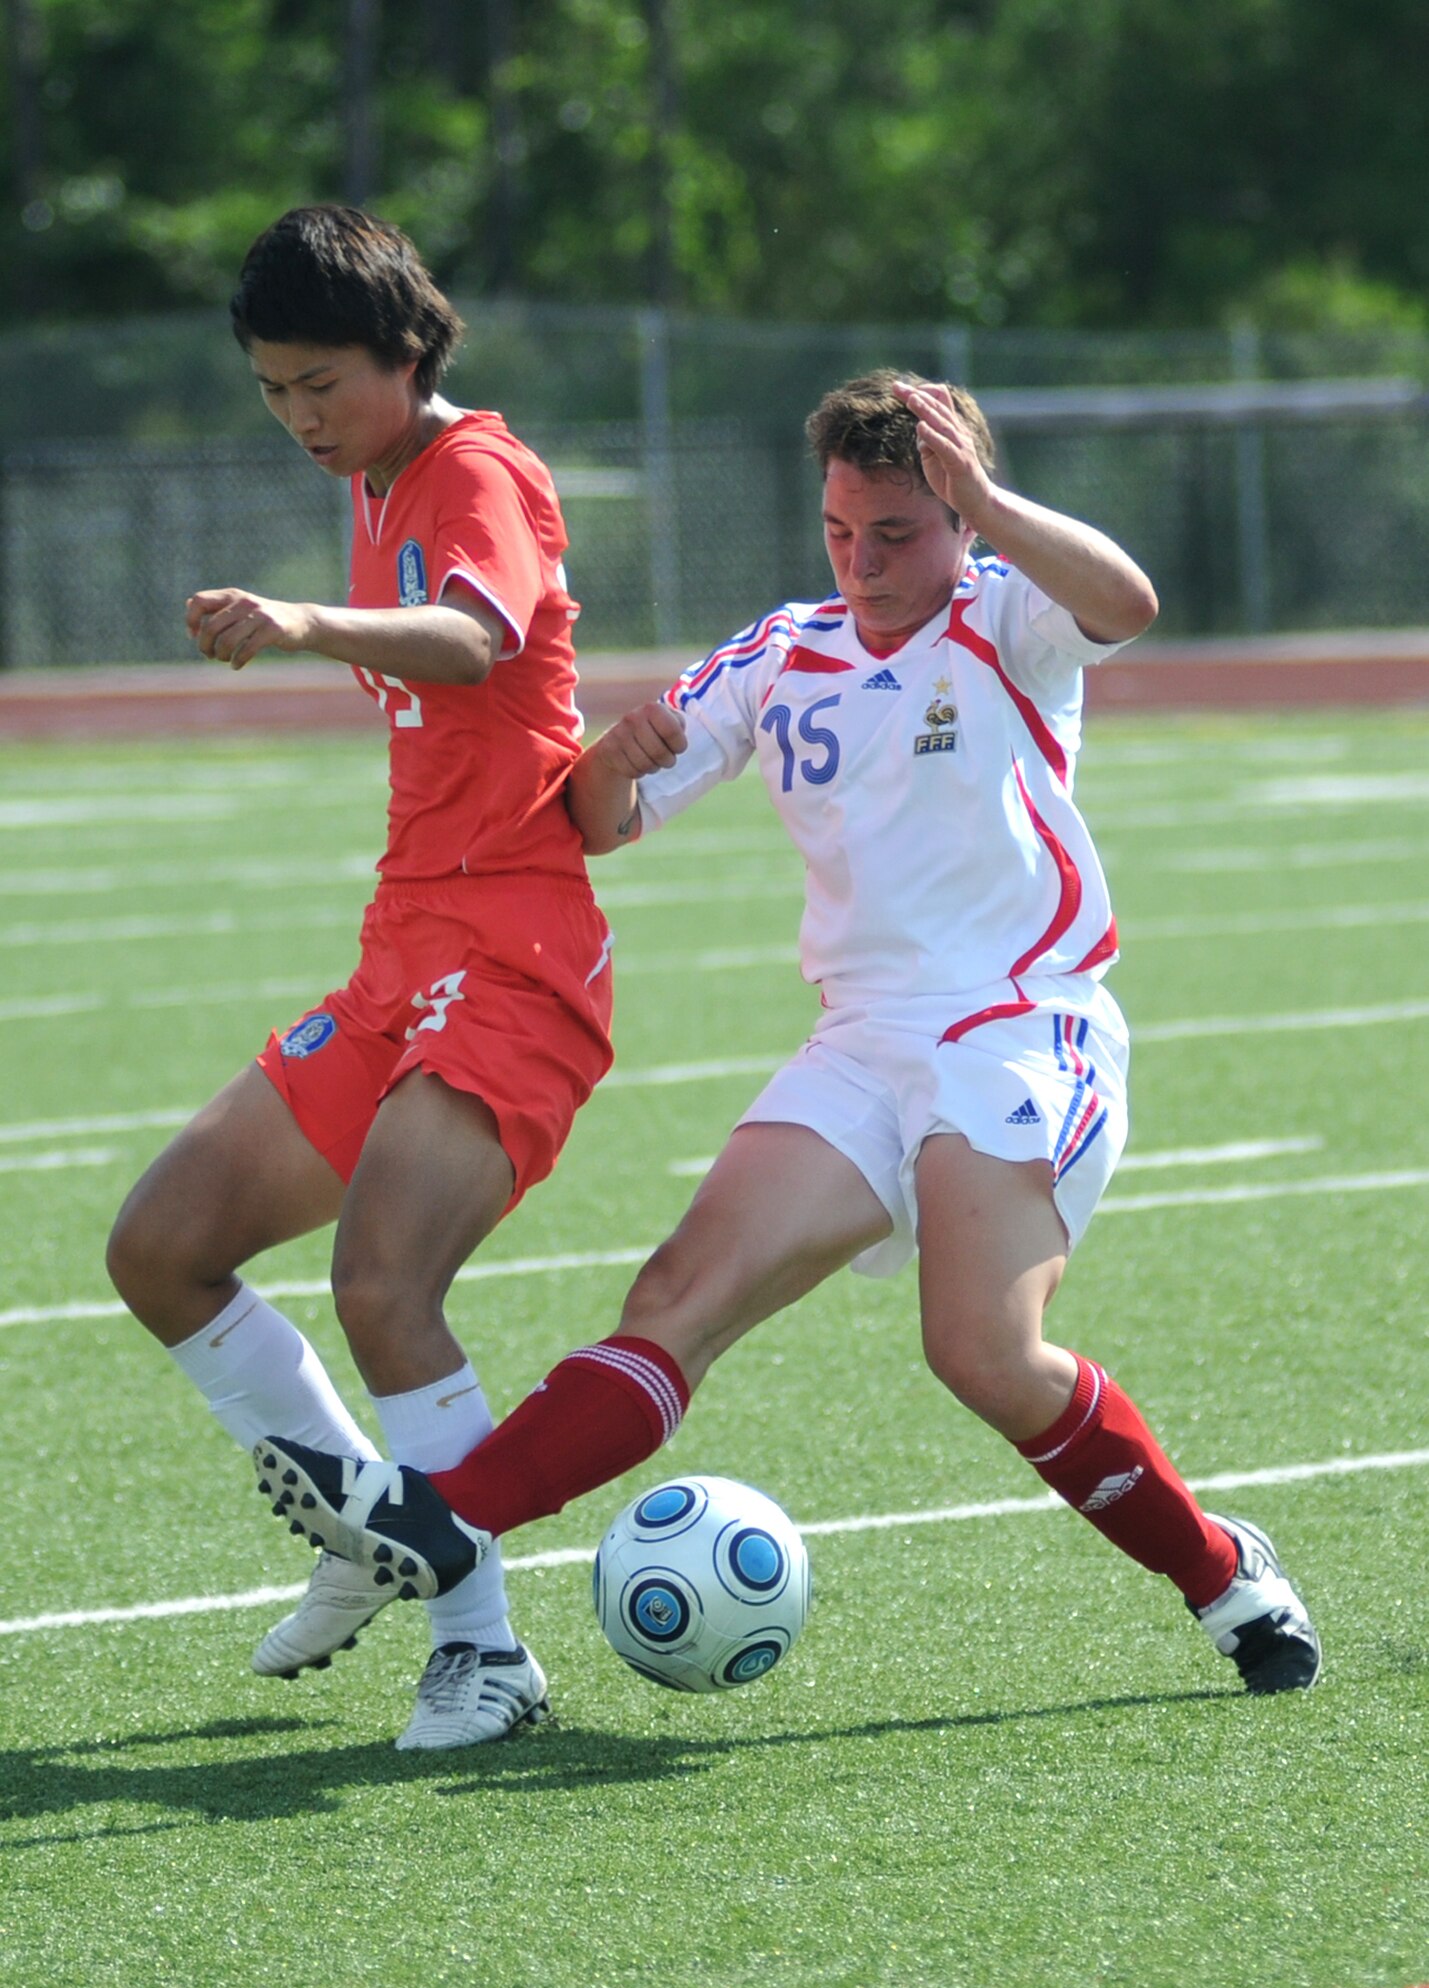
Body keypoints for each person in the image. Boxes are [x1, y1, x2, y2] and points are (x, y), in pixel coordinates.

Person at [249, 369, 1321, 1697]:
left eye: (898, 534)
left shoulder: (1007, 618)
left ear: (960, 525)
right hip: (861, 1040)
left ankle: (1219, 1570)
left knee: (979, 1353)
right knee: (674, 1301)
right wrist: (614, 759)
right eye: (839, 532)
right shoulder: (782, 654)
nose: (863, 565)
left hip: (1014, 1027)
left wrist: (988, 501)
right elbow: (597, 822)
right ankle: (446, 1514)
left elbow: (1129, 602)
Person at [107, 205, 615, 1749]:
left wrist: (304, 621)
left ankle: (487, 1650)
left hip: (515, 955)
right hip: (406, 950)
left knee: (384, 1285)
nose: (298, 418)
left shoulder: (476, 470)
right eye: (273, 392)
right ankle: (366, 1527)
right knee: (161, 1246)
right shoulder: (382, 471)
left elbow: (470, 640)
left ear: (404, 345)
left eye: (318, 382)